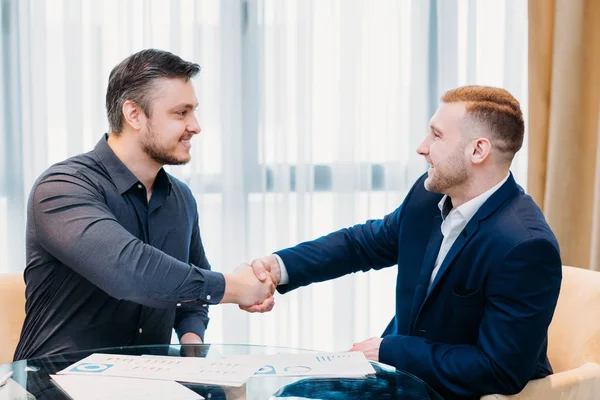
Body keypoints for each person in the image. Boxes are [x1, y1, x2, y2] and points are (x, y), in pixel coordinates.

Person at [247, 86, 562, 400]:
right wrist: (278, 267)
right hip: (398, 377)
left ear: (478, 151)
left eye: (436, 136)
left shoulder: (525, 245)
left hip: (451, 391)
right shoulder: (428, 196)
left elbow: (498, 369)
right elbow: (361, 244)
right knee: (286, 392)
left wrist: (389, 350)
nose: (422, 148)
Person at [14, 49, 274, 361]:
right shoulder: (63, 188)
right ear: (134, 114)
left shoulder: (181, 199)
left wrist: (192, 343)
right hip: (54, 384)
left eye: (194, 112)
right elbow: (131, 272)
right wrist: (236, 287)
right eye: (181, 113)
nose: (195, 126)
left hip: (152, 381)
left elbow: (190, 291)